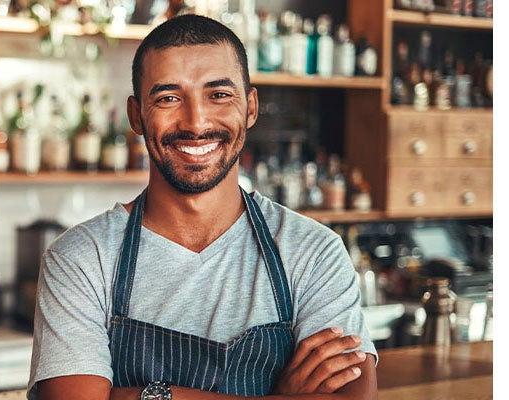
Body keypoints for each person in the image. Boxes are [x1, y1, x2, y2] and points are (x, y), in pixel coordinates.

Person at [27, 14, 377, 400]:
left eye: (219, 94)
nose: (195, 122)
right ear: (136, 116)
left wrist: (144, 395)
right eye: (168, 98)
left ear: (250, 108)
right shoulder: (80, 259)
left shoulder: (313, 251)